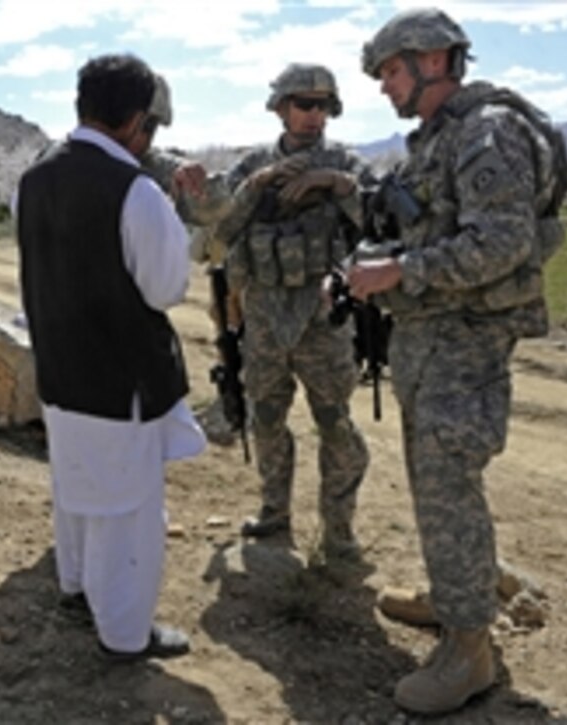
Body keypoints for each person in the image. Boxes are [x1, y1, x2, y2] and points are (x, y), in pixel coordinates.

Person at [351, 8, 567, 714]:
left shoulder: (486, 132)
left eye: (391, 70)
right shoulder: (444, 137)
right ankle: (454, 600)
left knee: (448, 482)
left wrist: (401, 271)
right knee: (434, 482)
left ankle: (469, 649)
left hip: (463, 344)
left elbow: (502, 243)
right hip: (433, 341)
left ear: (435, 60)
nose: (385, 87)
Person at [15, 53, 205, 661]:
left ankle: (75, 585)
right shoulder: (136, 192)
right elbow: (165, 289)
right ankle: (124, 634)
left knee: (74, 485)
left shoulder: (34, 177)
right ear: (137, 120)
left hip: (60, 371)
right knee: (128, 511)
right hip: (119, 378)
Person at [203, 64, 371, 559]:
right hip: (264, 321)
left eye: (322, 105)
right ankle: (275, 513)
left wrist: (339, 184)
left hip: (324, 320)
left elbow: (382, 223)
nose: (314, 115)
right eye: (303, 104)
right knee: (267, 420)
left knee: (335, 423)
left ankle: (338, 532)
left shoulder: (347, 165)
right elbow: (220, 232)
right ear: (280, 108)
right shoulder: (252, 167)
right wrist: (257, 187)